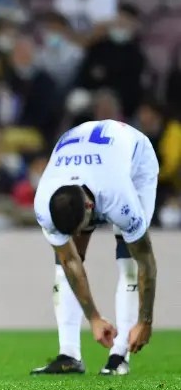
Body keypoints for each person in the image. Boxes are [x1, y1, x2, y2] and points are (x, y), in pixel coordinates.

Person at [32, 120, 159, 376]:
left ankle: (119, 356)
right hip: (87, 154)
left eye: (81, 228)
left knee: (129, 260)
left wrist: (145, 321)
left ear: (91, 207)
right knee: (66, 258)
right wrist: (94, 317)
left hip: (135, 162)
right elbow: (70, 261)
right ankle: (69, 355)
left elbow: (146, 260)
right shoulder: (44, 201)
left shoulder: (119, 196)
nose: (79, 235)